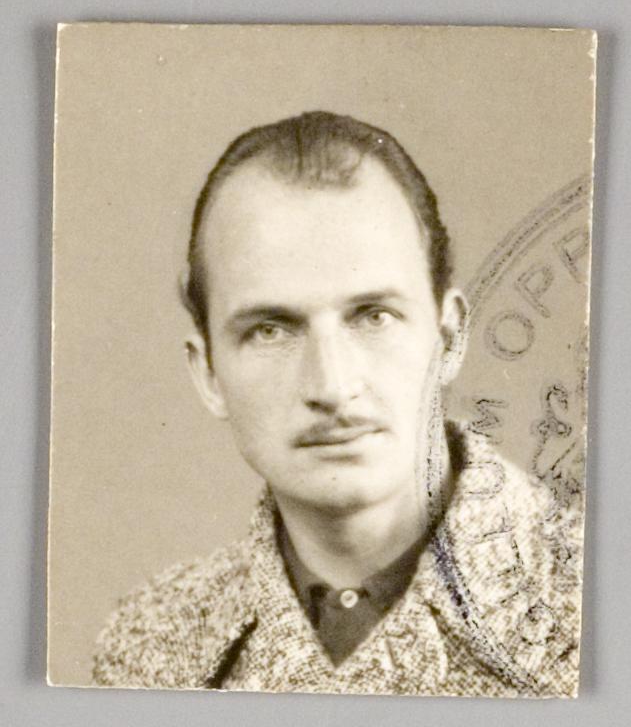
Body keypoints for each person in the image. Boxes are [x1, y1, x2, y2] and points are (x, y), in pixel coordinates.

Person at [92, 112, 579, 696]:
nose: (332, 384)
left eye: (374, 317)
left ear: (448, 339)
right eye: (271, 330)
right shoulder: (146, 644)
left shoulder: (596, 605)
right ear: (209, 374)